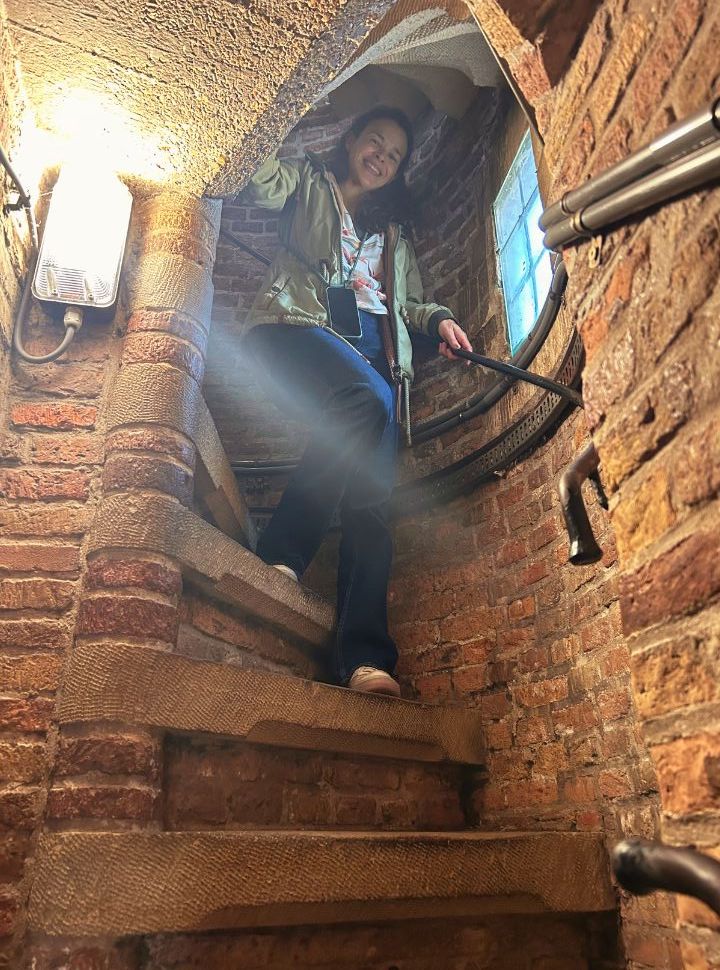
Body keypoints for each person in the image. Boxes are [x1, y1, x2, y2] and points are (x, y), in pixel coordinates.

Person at [243, 106, 472, 697]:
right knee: (363, 398)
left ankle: (366, 661)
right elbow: (261, 183)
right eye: (375, 142)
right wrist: (276, 109)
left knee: (374, 505)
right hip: (299, 322)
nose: (382, 158)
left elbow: (412, 304)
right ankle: (282, 550)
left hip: (377, 360)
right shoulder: (310, 182)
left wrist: (440, 322)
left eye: (394, 155)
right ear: (350, 141)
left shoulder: (392, 237)